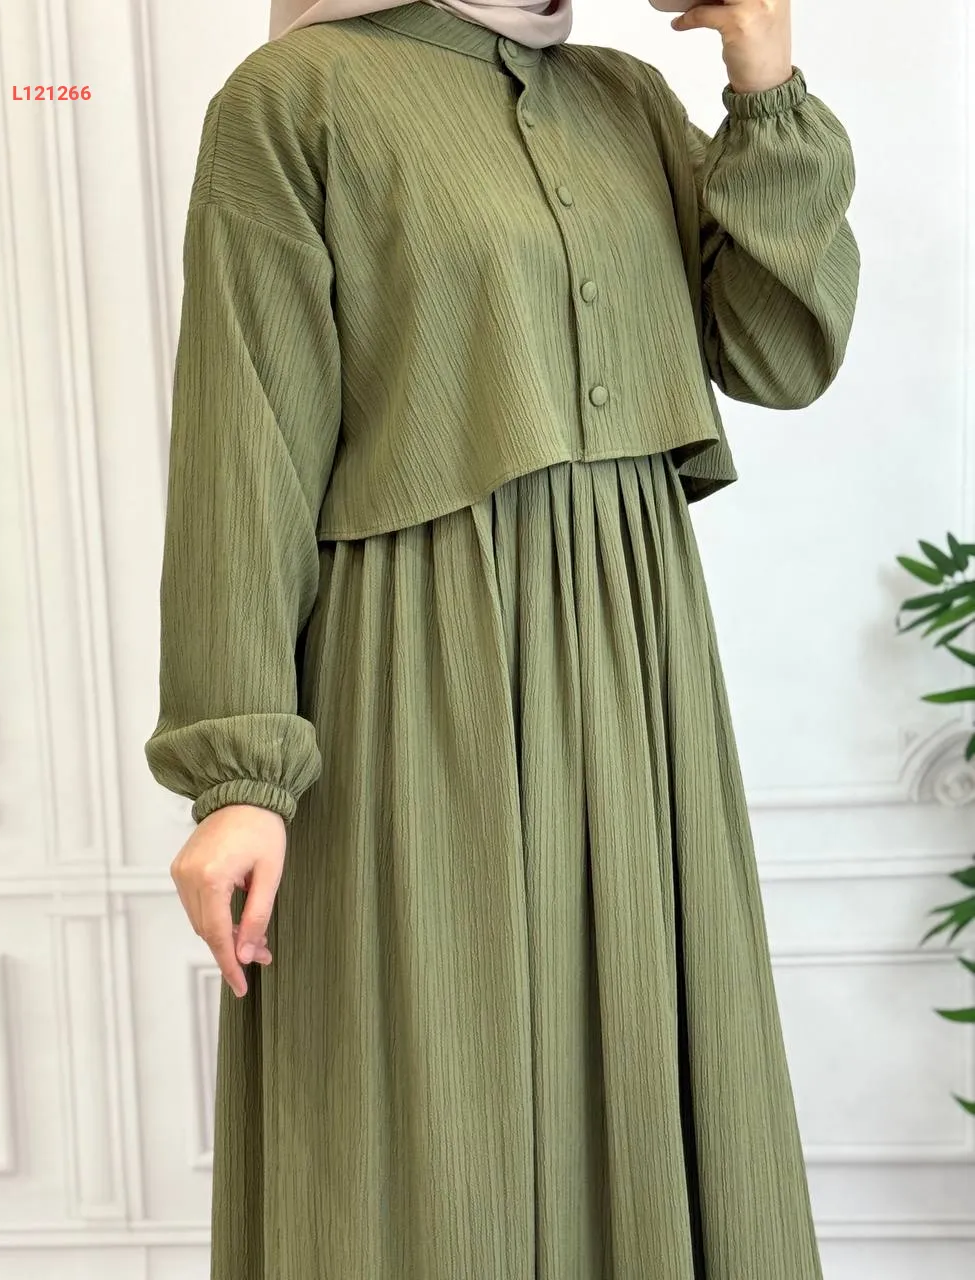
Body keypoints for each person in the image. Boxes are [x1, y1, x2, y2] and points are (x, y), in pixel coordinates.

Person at [143, 0, 858, 1275]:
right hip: (411, 668)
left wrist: (761, 74)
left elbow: (780, 351)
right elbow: (242, 447)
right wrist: (238, 774)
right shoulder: (297, 97)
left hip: (635, 670)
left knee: (638, 1056)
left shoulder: (624, 99)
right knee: (434, 1105)